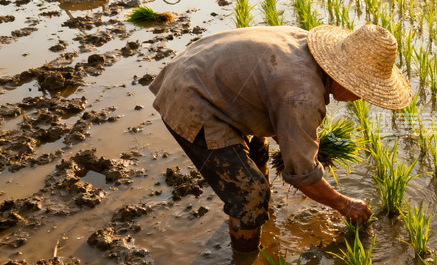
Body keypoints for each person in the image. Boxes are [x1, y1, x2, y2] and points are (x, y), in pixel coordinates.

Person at [149, 24, 412, 252]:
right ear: (346, 80)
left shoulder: (305, 44)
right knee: (249, 196)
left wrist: (295, 143)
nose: (361, 98)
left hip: (202, 71)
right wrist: (345, 205)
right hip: (192, 98)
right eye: (362, 91)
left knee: (258, 153)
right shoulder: (303, 96)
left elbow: (273, 98)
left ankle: (264, 217)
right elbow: (302, 173)